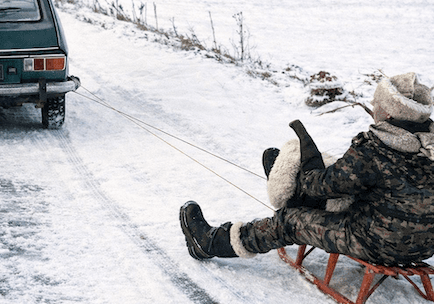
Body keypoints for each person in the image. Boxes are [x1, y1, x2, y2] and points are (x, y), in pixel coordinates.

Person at [180, 72, 434, 266]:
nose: (373, 106)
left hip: (376, 244)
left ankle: (209, 243)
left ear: (389, 114)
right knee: (352, 189)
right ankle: (294, 193)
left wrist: (307, 157)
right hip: (424, 247)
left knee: (289, 221)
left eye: (377, 103)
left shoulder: (373, 150)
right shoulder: (428, 148)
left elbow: (319, 185)